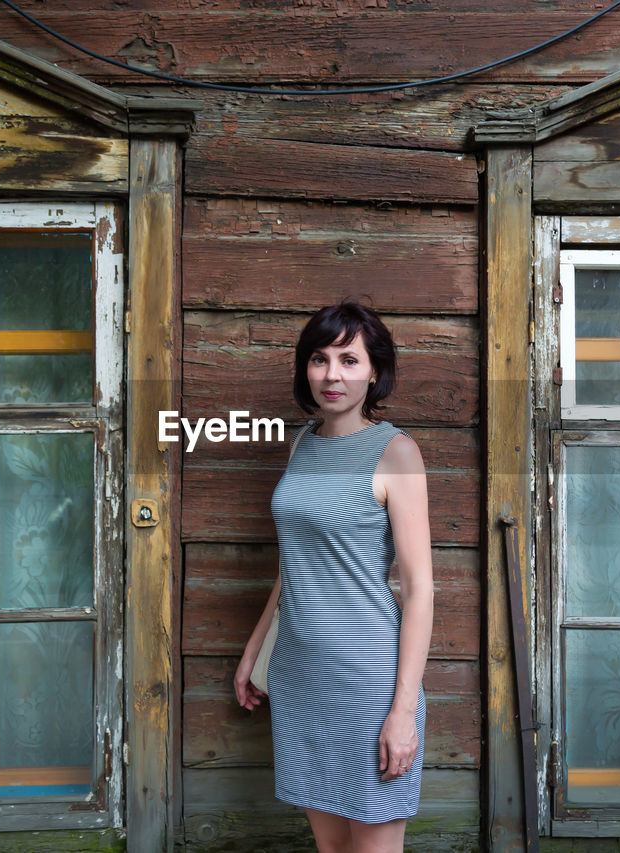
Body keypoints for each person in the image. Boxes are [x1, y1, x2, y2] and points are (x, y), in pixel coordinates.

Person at [234, 301, 434, 853]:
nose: (332, 375)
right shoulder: (302, 445)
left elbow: (419, 591)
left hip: (368, 686)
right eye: (320, 360)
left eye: (349, 360)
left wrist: (401, 712)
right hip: (301, 680)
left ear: (374, 372)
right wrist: (255, 653)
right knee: (331, 849)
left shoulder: (396, 453)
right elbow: (293, 566)